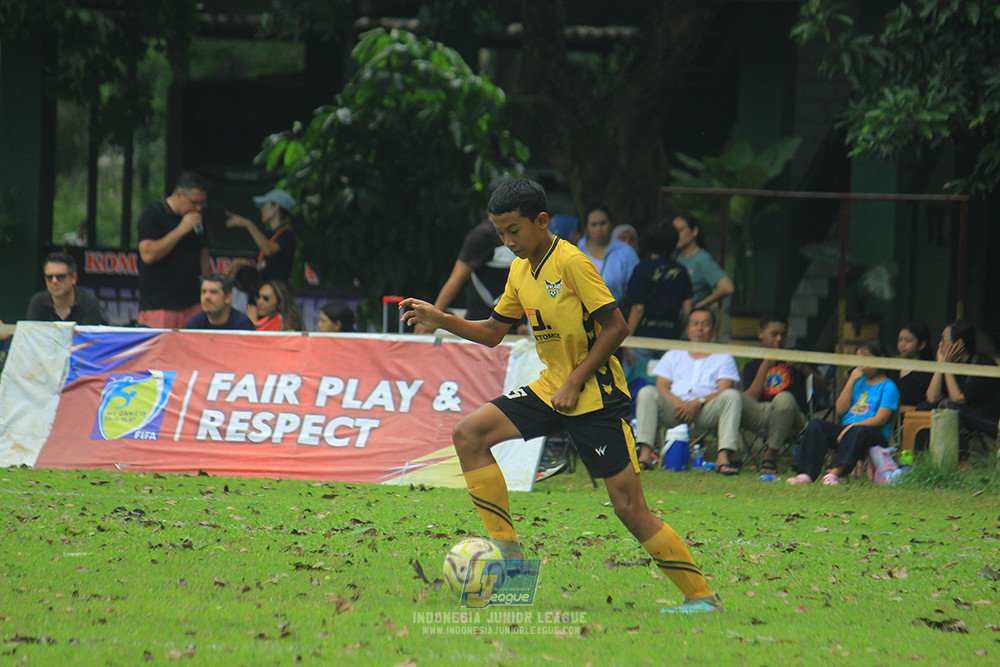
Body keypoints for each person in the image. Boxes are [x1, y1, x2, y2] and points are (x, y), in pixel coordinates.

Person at [400, 178, 721, 614]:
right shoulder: (518, 270)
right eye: (500, 233)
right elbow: (494, 333)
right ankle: (512, 565)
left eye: (514, 230)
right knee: (469, 435)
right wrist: (442, 319)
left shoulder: (572, 262)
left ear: (542, 221)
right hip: (552, 387)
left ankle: (702, 598)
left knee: (629, 508)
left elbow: (617, 328)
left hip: (595, 397)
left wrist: (574, 382)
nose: (507, 241)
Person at [634, 308, 743, 474]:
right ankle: (645, 456)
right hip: (675, 410)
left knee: (732, 395)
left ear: (713, 330)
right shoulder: (673, 354)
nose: (699, 328)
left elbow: (724, 389)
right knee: (647, 392)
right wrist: (678, 402)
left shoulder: (723, 357)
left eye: (705, 325)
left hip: (706, 411)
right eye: (695, 324)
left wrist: (697, 403)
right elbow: (661, 385)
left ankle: (723, 457)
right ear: (687, 329)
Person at [787, 339, 899, 486]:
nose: (861, 363)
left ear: (881, 359)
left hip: (872, 433)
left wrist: (851, 427)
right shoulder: (859, 382)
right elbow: (840, 409)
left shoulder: (889, 386)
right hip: (847, 430)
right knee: (816, 425)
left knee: (858, 431)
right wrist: (851, 380)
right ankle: (805, 473)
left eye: (866, 357)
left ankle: (835, 473)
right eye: (858, 358)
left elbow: (881, 419)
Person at [414, 182, 518, 333]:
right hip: (484, 327)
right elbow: (457, 277)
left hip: (514, 328)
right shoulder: (482, 236)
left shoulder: (523, 238)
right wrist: (432, 320)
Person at [739, 311, 828, 474]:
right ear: (760, 334)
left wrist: (803, 368)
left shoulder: (795, 357)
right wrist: (764, 368)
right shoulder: (753, 365)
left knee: (784, 398)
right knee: (737, 398)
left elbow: (823, 387)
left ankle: (770, 455)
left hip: (795, 418)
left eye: (783, 335)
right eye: (774, 334)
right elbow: (750, 399)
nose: (779, 339)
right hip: (762, 417)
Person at [137, 171, 212, 328]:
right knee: (162, 351)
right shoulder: (153, 215)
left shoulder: (197, 219)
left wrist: (207, 289)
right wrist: (181, 229)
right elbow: (148, 254)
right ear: (179, 194)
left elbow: (203, 256)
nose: (198, 208)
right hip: (161, 305)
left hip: (193, 303)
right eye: (194, 202)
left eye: (202, 203)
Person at [622, 221, 693, 375]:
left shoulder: (642, 269)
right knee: (666, 383)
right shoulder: (681, 271)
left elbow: (638, 308)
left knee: (637, 381)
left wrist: (627, 341)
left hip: (642, 338)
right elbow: (687, 310)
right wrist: (676, 330)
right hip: (670, 338)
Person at [920, 320, 1000, 454]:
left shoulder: (982, 364)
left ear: (958, 344)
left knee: (952, 408)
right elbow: (932, 398)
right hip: (966, 416)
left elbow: (958, 400)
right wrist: (942, 365)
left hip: (989, 422)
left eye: (944, 340)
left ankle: (961, 460)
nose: (939, 345)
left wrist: (946, 366)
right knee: (924, 407)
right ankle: (920, 457)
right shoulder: (949, 364)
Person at [225, 189, 297, 284]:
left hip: (277, 292)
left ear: (276, 207)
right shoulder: (267, 235)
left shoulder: (288, 234)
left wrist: (248, 224)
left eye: (264, 205)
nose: (261, 209)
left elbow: (268, 250)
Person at [577, 204, 640, 304]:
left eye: (603, 223)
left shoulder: (626, 252)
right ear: (586, 227)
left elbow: (636, 289)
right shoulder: (577, 251)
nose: (598, 229)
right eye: (594, 225)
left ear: (611, 224)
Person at [672, 213, 734, 310]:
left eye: (680, 230)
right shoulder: (676, 257)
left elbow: (727, 287)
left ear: (694, 231)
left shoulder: (702, 259)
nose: (676, 235)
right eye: (673, 231)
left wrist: (703, 303)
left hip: (693, 321)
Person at [26, 251, 105, 324]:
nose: (54, 281)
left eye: (60, 277)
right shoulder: (38, 302)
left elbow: (89, 338)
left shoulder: (89, 303)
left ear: (74, 278)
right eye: (49, 277)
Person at [185, 273, 256, 331]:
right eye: (204, 292)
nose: (207, 297)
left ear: (227, 298)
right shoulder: (194, 324)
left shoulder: (243, 325)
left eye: (213, 292)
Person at [891, 320, 934, 410]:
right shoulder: (893, 368)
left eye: (908, 340)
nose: (902, 344)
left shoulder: (928, 372)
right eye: (900, 340)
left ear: (922, 344)